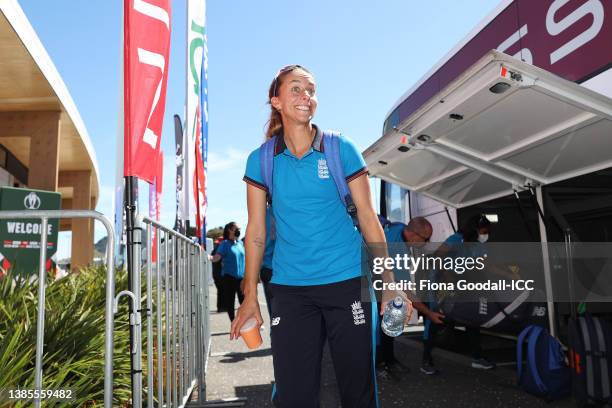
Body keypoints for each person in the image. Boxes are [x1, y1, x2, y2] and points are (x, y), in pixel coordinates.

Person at [231, 64, 407, 408]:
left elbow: (370, 219)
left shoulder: (341, 149)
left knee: (358, 391)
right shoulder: (261, 160)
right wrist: (249, 294)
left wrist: (389, 280)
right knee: (294, 395)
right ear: (276, 101)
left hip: (348, 282)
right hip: (290, 290)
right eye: (295, 89)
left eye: (310, 90)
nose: (305, 96)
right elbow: (255, 232)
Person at [421, 214, 496, 375]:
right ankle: (426, 360)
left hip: (460, 284)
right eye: (484, 231)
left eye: (487, 231)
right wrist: (448, 277)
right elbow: (437, 258)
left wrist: (508, 276)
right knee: (435, 319)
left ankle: (477, 357)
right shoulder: (455, 240)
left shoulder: (477, 246)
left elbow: (486, 266)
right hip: (440, 284)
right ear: (475, 229)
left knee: (472, 317)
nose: (486, 234)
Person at [376, 217, 445, 380]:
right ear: (413, 235)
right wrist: (429, 313)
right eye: (426, 239)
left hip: (384, 281)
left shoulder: (400, 228)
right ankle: (378, 365)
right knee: (379, 326)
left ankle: (389, 360)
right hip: (373, 283)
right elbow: (406, 291)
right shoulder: (398, 249)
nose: (427, 242)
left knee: (391, 322)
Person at [211, 222, 245, 322]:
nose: (239, 230)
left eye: (239, 228)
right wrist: (208, 257)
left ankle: (246, 323)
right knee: (230, 302)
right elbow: (217, 257)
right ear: (230, 230)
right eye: (237, 228)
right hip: (229, 277)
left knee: (244, 302)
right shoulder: (224, 244)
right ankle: (234, 323)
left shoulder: (240, 244)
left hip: (241, 278)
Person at [211, 237, 226, 313]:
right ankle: (221, 307)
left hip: (216, 273)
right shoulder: (219, 250)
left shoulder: (214, 250)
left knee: (221, 290)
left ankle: (221, 307)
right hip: (220, 273)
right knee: (222, 290)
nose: (216, 244)